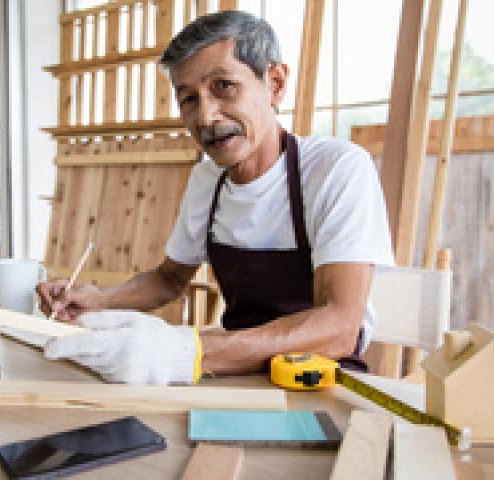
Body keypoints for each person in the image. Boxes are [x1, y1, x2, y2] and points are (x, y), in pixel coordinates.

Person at [37, 10, 394, 385]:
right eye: (188, 99)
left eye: (223, 86)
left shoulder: (336, 170)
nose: (206, 117)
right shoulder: (208, 180)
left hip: (318, 381)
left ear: (274, 83)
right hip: (233, 373)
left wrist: (188, 351)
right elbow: (168, 280)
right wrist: (98, 299)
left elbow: (339, 327)